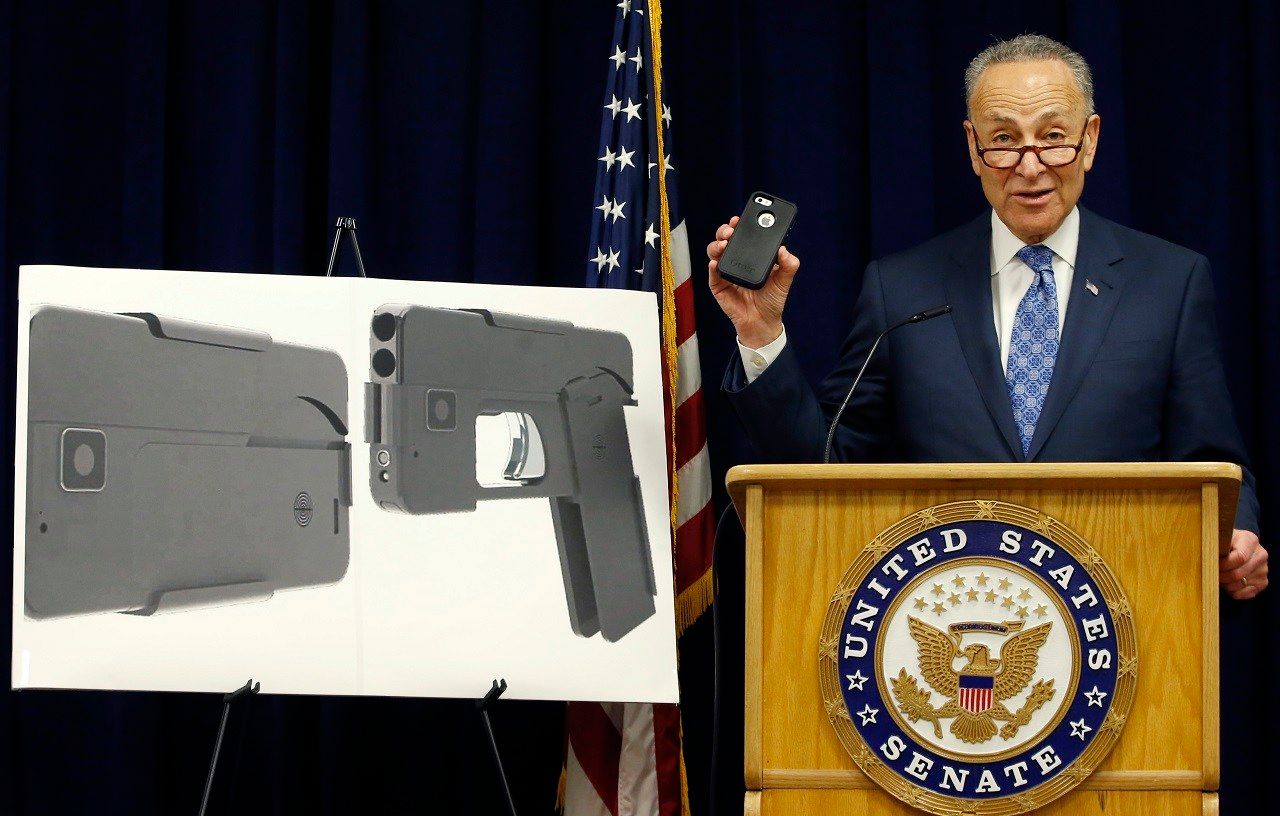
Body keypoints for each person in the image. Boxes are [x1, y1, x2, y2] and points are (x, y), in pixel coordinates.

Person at [706, 34, 1267, 600]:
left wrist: (1238, 531)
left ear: (1090, 140)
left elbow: (1215, 465)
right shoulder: (900, 290)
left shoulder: (1170, 282)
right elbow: (822, 465)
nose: (1030, 166)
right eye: (1004, 140)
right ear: (973, 149)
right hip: (947, 619)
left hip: (1125, 614)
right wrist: (760, 329)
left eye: (1052, 138)